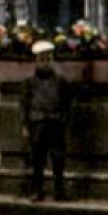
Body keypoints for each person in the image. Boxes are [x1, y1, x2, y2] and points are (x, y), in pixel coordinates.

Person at [19, 40, 72, 202]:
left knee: (58, 158)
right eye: (41, 59)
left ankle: (59, 191)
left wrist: (63, 119)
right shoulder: (29, 82)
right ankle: (38, 191)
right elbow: (24, 104)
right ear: (35, 61)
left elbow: (67, 102)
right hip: (37, 123)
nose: (45, 63)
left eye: (48, 59)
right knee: (37, 159)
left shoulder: (61, 81)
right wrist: (25, 125)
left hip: (55, 123)